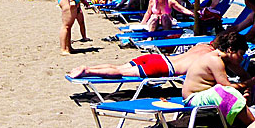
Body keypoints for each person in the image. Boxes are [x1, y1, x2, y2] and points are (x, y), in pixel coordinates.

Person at [182, 31, 254, 128]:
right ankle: (252, 124)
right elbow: (226, 86)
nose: (242, 59)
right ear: (231, 50)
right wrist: (248, 83)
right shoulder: (215, 60)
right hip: (193, 98)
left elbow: (244, 75)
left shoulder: (226, 59)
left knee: (235, 89)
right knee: (226, 92)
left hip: (205, 95)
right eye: (241, 54)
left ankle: (245, 119)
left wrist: (247, 91)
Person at [68, 41, 216, 78]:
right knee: (120, 72)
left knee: (118, 66)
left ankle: (88, 67)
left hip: (157, 57)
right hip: (162, 67)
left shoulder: (201, 45)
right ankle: (87, 71)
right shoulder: (212, 57)